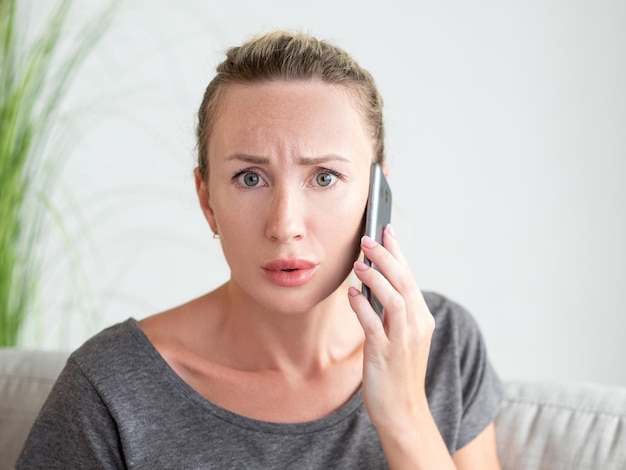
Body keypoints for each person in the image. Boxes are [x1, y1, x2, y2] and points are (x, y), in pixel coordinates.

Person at [18, 30, 503, 469]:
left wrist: (405, 415)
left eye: (325, 177)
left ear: (377, 199)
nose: (284, 225)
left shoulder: (443, 349)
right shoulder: (110, 389)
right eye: (250, 178)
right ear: (207, 200)